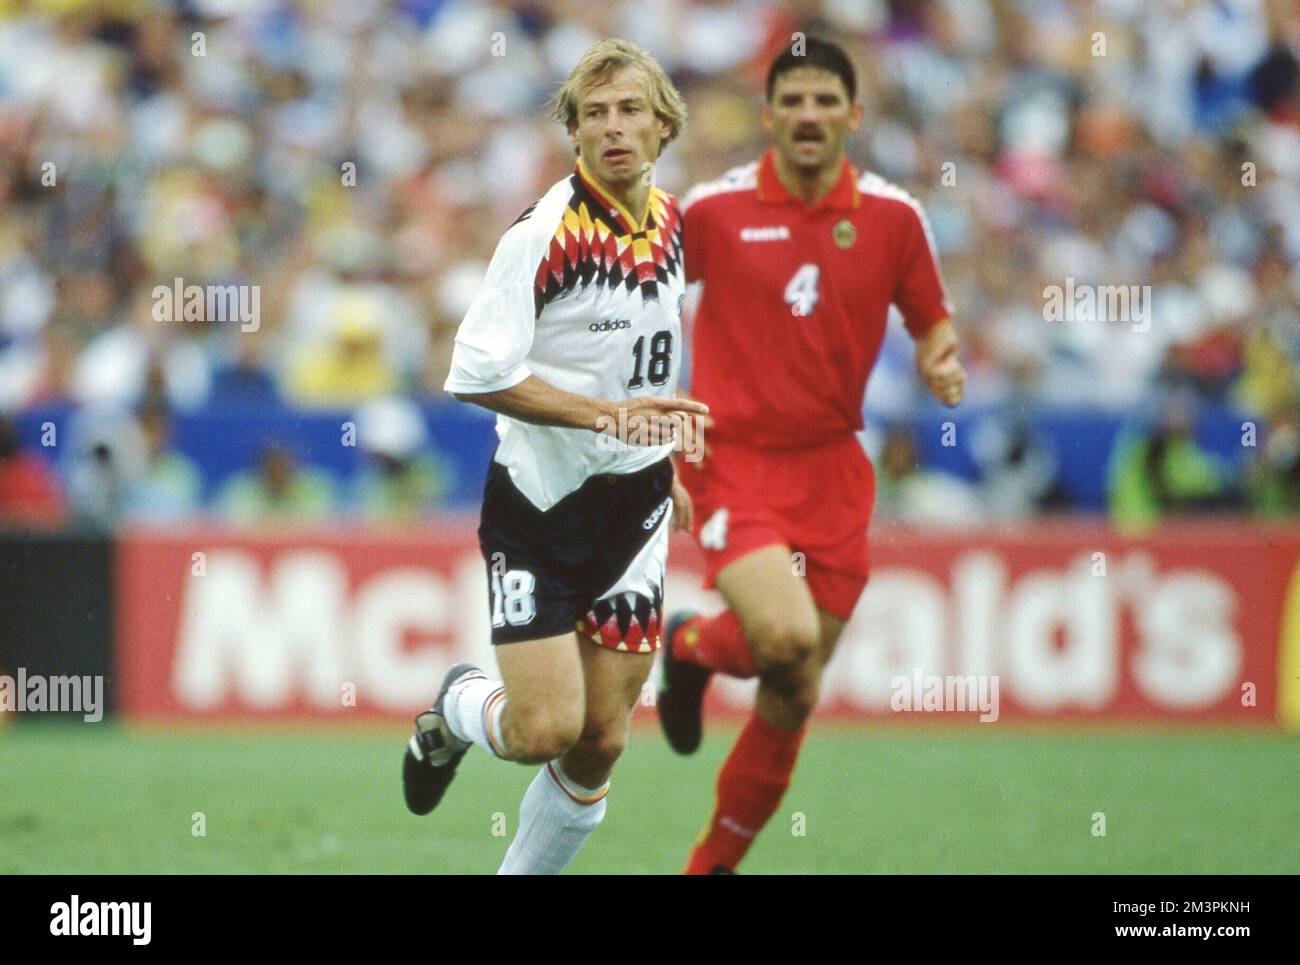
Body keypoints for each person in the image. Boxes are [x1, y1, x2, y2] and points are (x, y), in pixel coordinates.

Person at [659, 37, 966, 874]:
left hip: (833, 467)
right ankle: (689, 651)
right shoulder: (713, 212)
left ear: (853, 116)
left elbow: (929, 315)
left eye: (825, 101)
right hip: (733, 457)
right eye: (791, 100)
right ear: (767, 116)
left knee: (793, 688)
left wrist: (940, 355)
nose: (808, 115)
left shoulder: (895, 217)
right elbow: (643, 296)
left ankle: (690, 657)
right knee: (786, 637)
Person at [401, 38, 706, 875]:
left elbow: (647, 350)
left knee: (602, 738)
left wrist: (663, 458)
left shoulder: (675, 224)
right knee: (544, 730)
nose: (614, 128)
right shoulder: (543, 234)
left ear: (662, 124)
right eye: (595, 114)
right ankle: (458, 706)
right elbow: (474, 373)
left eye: (631, 110)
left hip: (634, 506)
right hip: (539, 505)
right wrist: (607, 417)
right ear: (573, 134)